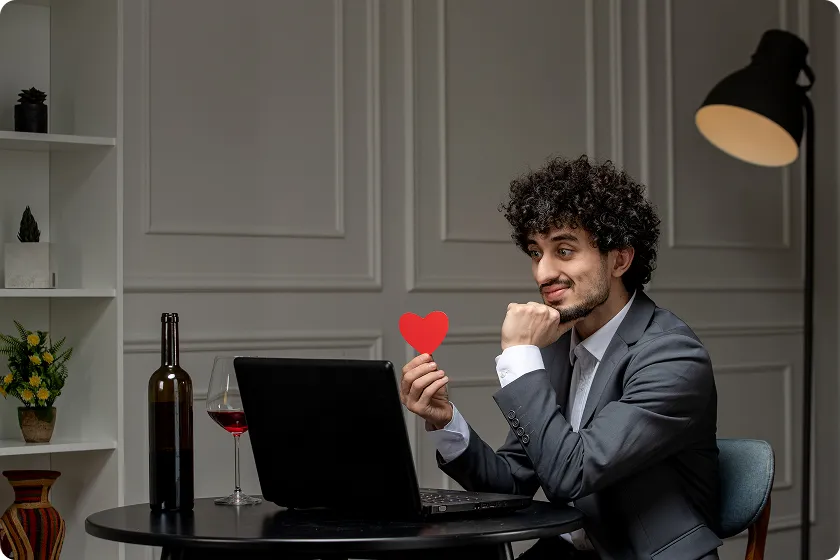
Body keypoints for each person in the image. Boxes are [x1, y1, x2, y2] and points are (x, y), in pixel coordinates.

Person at [400, 155, 721, 560]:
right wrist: (446, 422)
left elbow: (573, 473)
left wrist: (520, 355)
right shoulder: (555, 348)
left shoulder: (672, 356)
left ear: (620, 259)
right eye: (536, 253)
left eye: (564, 250)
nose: (542, 274)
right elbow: (511, 484)